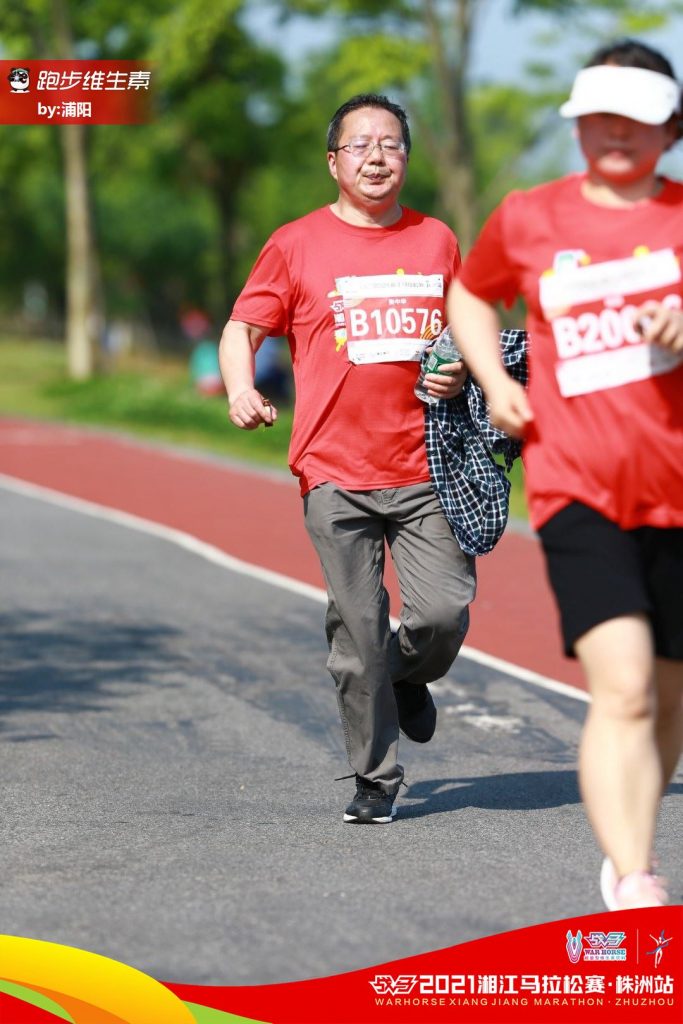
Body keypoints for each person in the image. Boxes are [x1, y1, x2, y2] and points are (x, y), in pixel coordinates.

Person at [447, 40, 683, 908]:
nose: (617, 131)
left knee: (664, 701)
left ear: (669, 129)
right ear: (578, 123)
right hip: (576, 487)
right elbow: (471, 294)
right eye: (600, 116)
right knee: (619, 685)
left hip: (678, 496)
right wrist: (495, 377)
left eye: (638, 118)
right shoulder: (527, 217)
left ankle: (633, 842)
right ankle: (635, 878)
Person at [220, 93, 476, 824]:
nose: (375, 156)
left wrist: (458, 366)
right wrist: (241, 389)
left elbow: (466, 329)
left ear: (405, 158)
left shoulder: (437, 241)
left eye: (390, 143)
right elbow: (242, 328)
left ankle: (404, 675)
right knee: (357, 629)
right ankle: (374, 776)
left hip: (427, 465)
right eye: (359, 144)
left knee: (443, 612)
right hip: (333, 470)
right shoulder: (296, 243)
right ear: (333, 161)